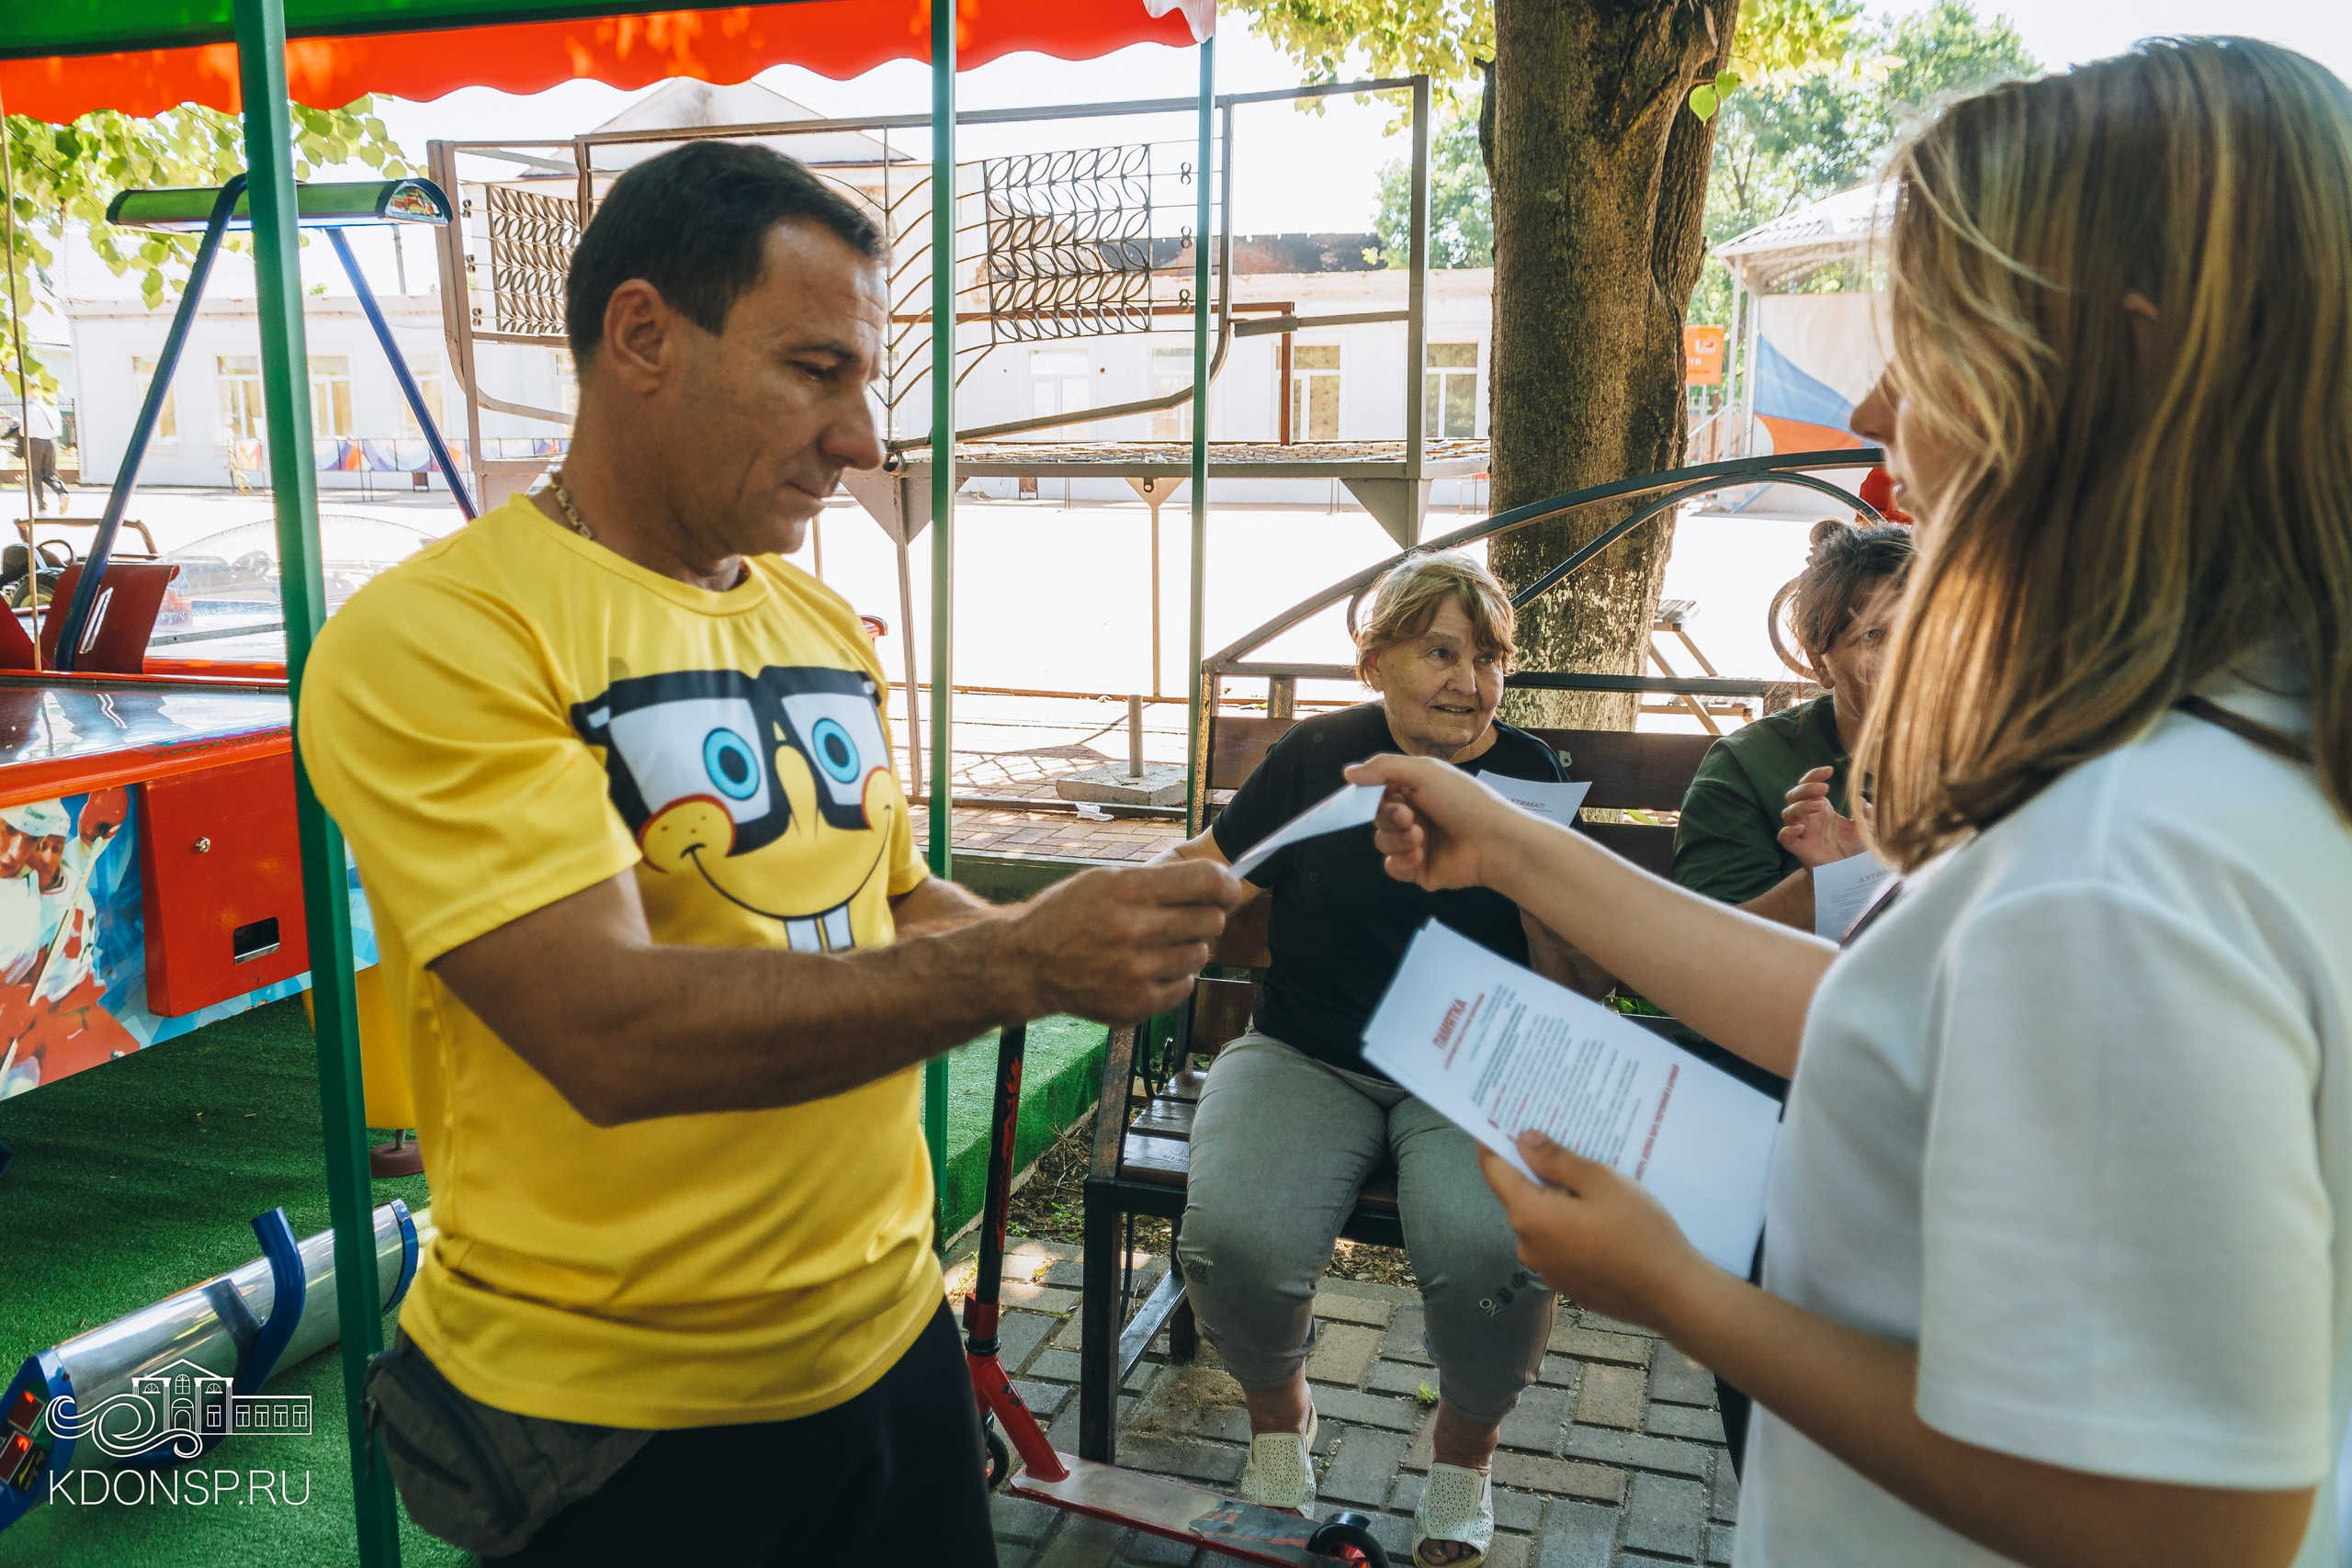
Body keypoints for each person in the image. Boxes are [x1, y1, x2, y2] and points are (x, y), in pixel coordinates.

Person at [1348, 37, 2352, 1568]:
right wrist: (1516, 851)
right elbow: (1899, 1016)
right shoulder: (2237, 745)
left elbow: (2191, 1521)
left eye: (1932, 335)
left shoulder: (2118, 865)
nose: (1880, 402)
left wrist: (1683, 1290)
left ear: (2113, 370)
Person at [299, 141, 1246, 1566]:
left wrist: (1098, 923)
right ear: (641, 336)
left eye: (864, 380)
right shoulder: (442, 635)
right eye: (818, 369)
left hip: (891, 1346)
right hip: (618, 1420)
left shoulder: (807, 619)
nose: (862, 438)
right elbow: (608, 1030)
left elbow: (890, 902)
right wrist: (1022, 960)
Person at [1161, 553, 1581, 1568]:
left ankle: (1462, 1457)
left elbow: (1574, 986)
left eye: (1490, 657)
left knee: (1499, 1258)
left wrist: (1532, 883)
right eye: (1441, 651)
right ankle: (1280, 1426)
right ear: (1375, 660)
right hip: (1307, 1049)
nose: (1469, 682)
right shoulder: (1316, 757)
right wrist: (1116, 904)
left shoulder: (1530, 774)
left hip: (1469, 1066)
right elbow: (1209, 872)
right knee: (1236, 1242)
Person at [1672, 519, 1912, 931]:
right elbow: (1704, 947)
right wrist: (1831, 884)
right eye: (1873, 635)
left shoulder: (2008, 754)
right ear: (1820, 661)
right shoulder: (1748, 767)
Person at [6, 393, 69, 514]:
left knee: (35, 476)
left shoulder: (29, 408)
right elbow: (59, 431)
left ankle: (42, 508)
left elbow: (24, 432)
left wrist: (16, 423)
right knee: (50, 474)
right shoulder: (52, 407)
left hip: (34, 443)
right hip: (51, 442)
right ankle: (62, 493)